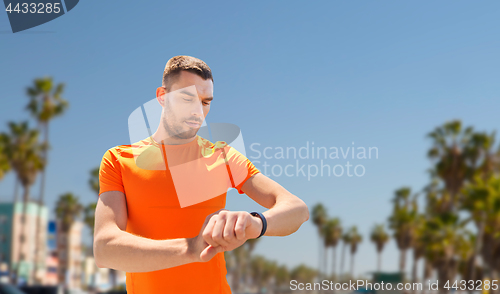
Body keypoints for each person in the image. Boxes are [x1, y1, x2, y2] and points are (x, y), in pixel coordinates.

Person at [93, 55, 309, 293]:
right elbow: (105, 248)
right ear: (162, 96)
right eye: (187, 99)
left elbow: (297, 209)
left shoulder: (223, 156)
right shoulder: (118, 160)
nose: (198, 111)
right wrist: (191, 250)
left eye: (206, 102)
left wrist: (256, 223)